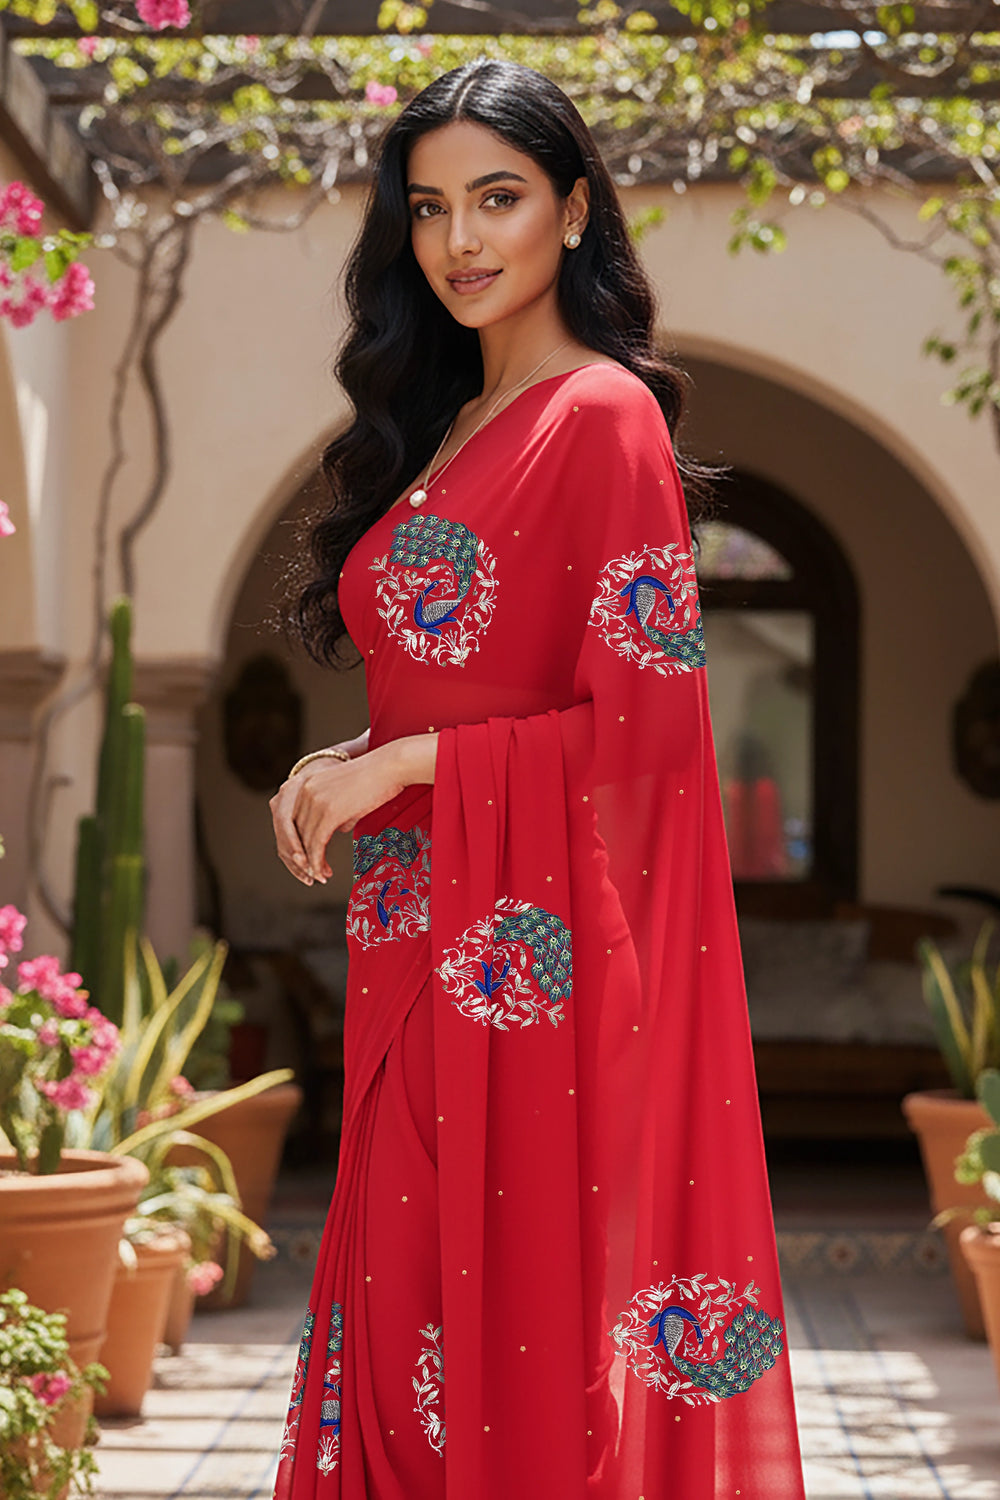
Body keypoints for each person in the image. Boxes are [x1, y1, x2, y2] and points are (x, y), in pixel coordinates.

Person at [269, 57, 805, 1500]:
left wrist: (416, 762)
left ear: (573, 211)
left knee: (513, 1376)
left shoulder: (604, 415)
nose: (459, 241)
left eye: (497, 198)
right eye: (430, 207)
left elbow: (650, 735)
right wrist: (358, 759)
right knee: (396, 1344)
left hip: (532, 967)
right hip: (407, 945)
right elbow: (444, 691)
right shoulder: (443, 428)